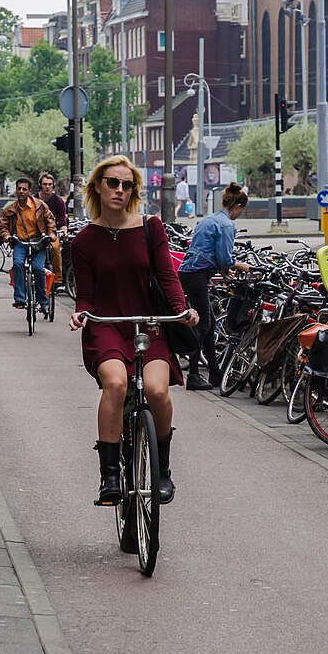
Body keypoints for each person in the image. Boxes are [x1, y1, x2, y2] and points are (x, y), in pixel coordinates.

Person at [68, 155, 199, 506]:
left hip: (149, 326)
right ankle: (109, 477)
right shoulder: (83, 242)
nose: (120, 190)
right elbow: (87, 296)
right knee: (115, 384)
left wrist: (181, 309)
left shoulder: (150, 227)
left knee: (157, 391)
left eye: (127, 185)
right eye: (113, 182)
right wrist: (81, 314)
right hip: (106, 327)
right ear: (98, 186)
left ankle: (163, 472)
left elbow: (168, 277)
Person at [177, 182, 252, 390]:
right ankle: (193, 375)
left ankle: (215, 372)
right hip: (197, 275)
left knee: (208, 324)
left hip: (189, 271)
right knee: (203, 325)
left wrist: (221, 269)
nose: (239, 214)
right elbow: (225, 258)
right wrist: (240, 266)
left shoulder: (209, 219)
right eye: (241, 210)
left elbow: (205, 249)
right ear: (237, 206)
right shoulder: (227, 225)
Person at [0, 177, 56, 313]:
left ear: (29, 191)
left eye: (24, 189)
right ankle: (19, 298)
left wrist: (51, 234)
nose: (21, 191)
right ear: (16, 190)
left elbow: (50, 220)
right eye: (19, 189)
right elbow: (2, 226)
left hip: (38, 242)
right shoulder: (10, 209)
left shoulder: (40, 205)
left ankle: (43, 301)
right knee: (17, 264)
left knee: (38, 269)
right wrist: (6, 236)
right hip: (20, 242)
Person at [37, 172, 67, 287]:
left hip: (52, 233)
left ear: (53, 185)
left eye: (50, 184)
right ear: (40, 185)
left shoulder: (58, 201)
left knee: (55, 249)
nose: (47, 187)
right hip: (37, 233)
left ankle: (58, 280)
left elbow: (62, 220)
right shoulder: (34, 199)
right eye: (45, 184)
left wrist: (64, 230)